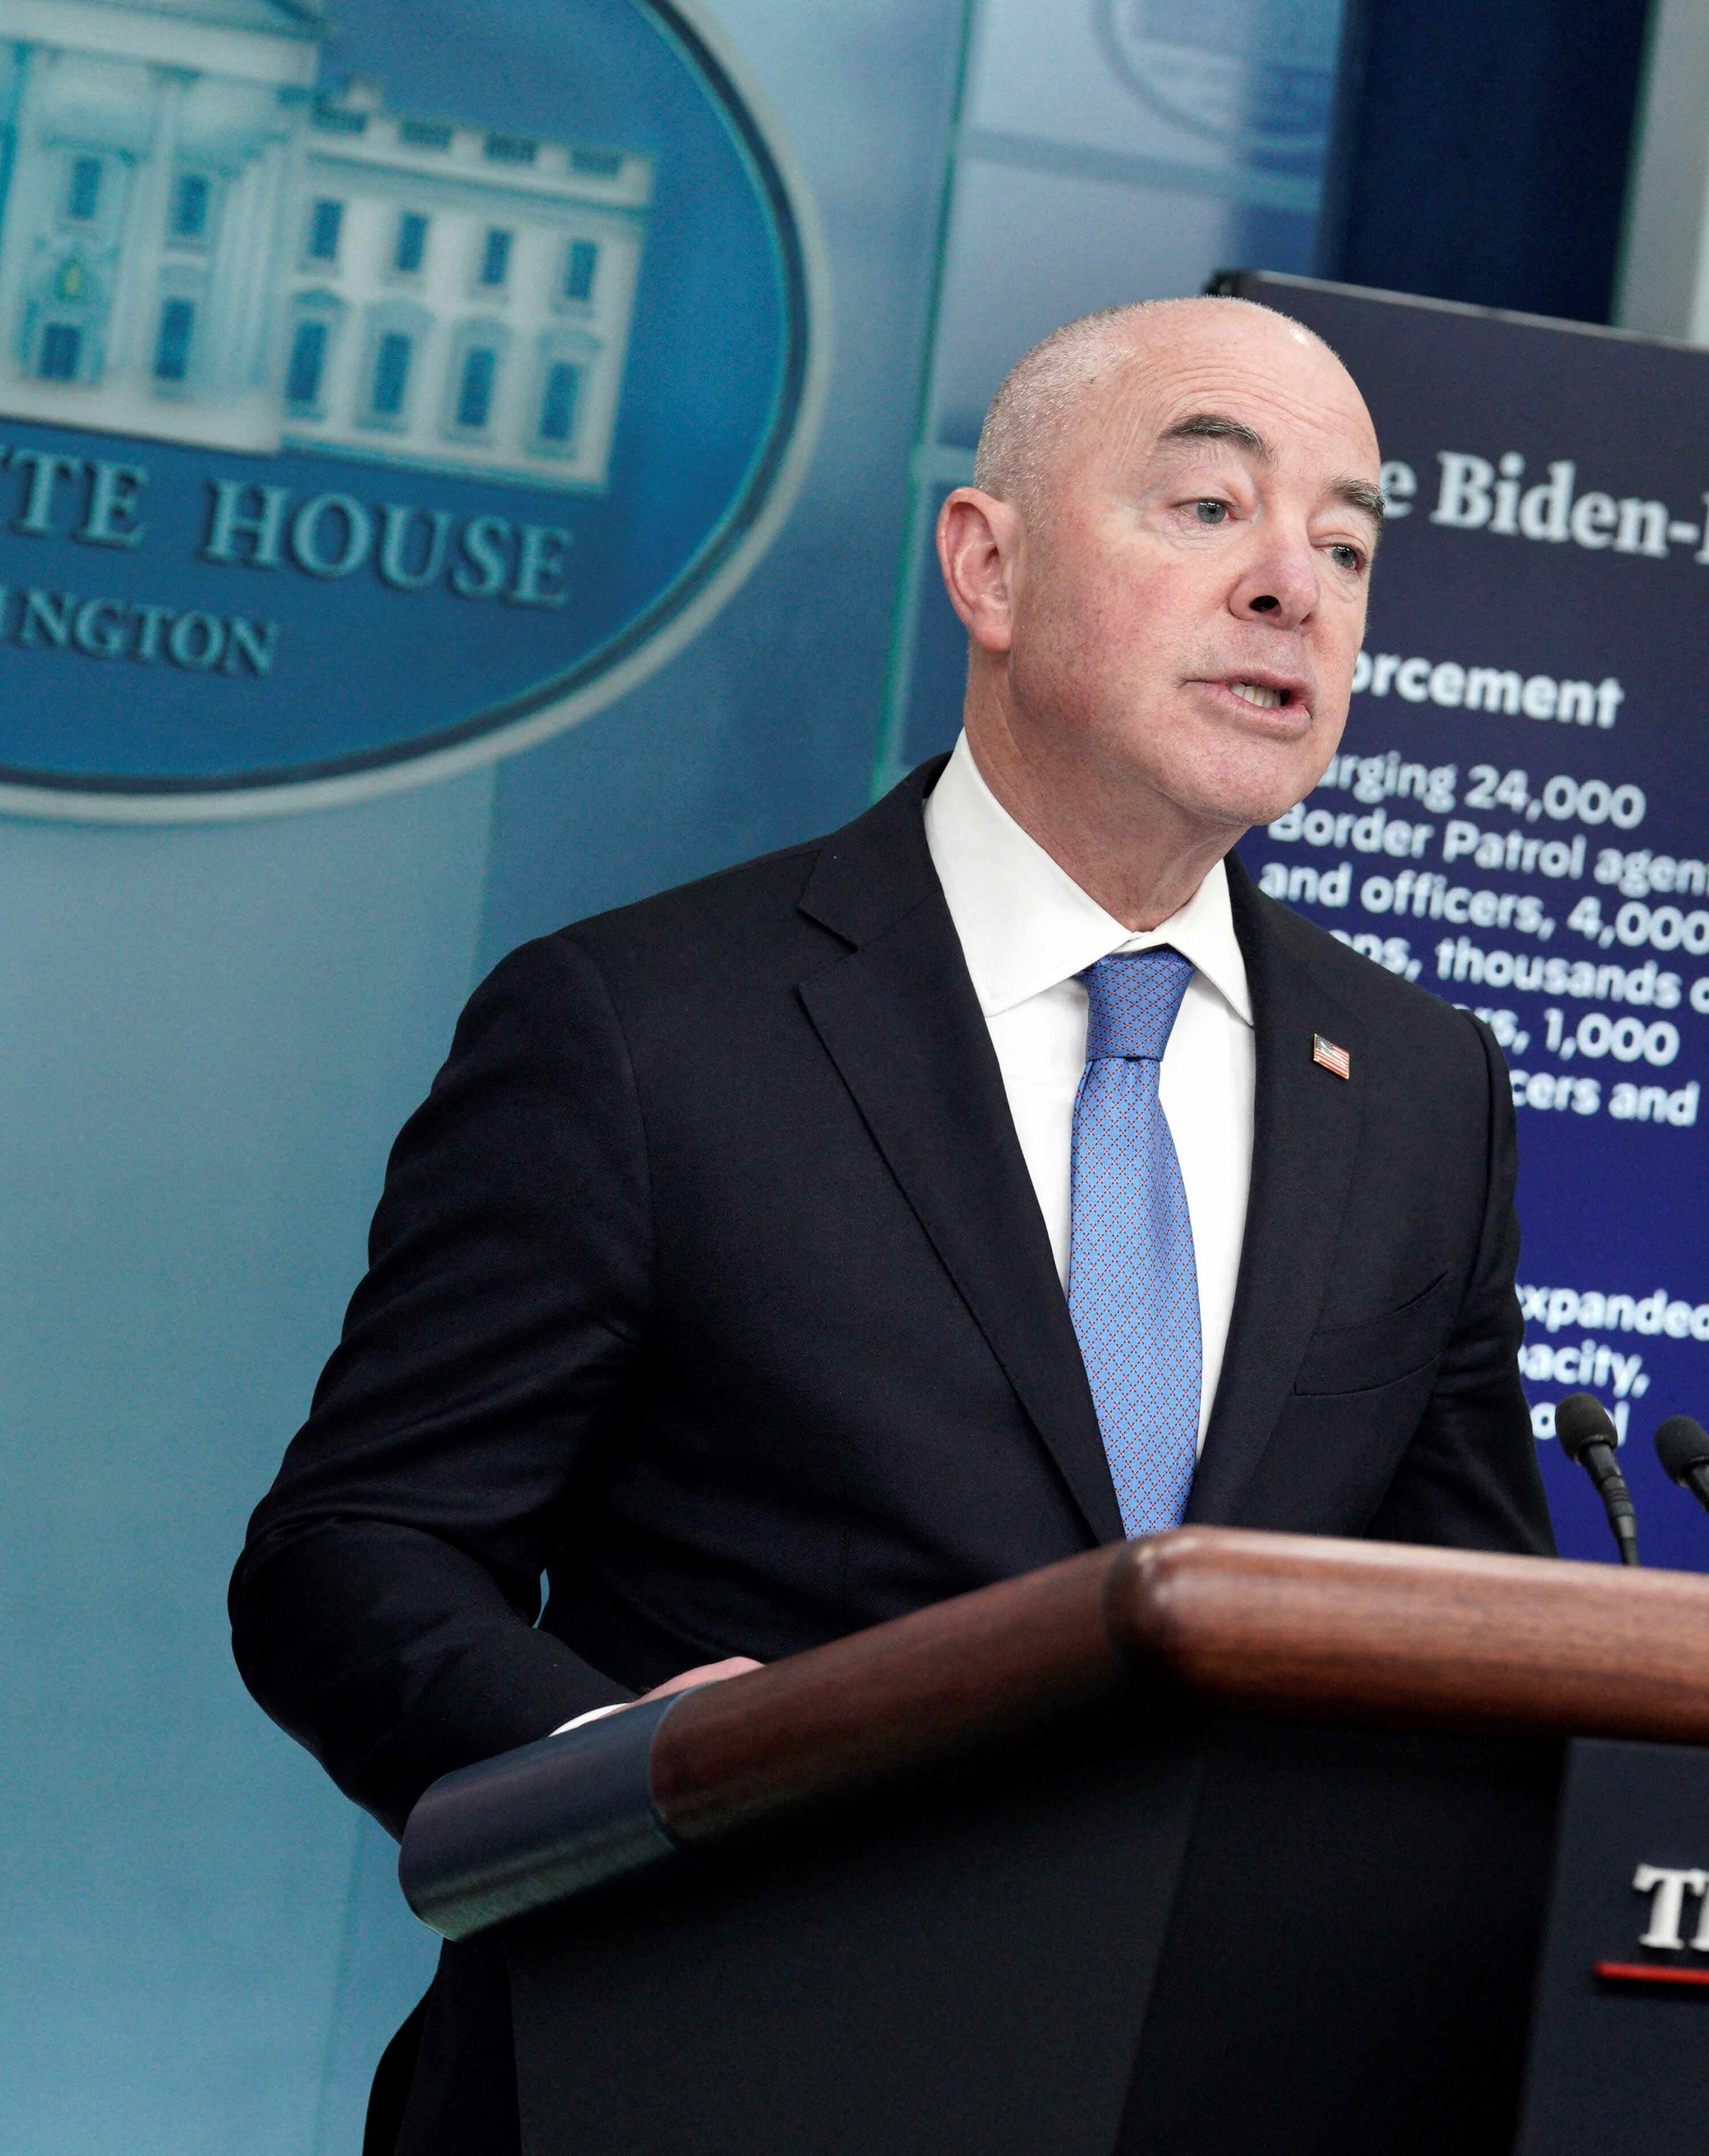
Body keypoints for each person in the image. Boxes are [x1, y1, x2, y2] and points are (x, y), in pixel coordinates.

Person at [229, 295, 1553, 2153]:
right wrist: (641, 1778)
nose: (1293, 587)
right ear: (987, 566)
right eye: (1208, 509)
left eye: (1346, 544)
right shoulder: (641, 1028)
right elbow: (352, 1557)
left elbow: (1466, 1658)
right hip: (694, 2062)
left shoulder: (1424, 1091)